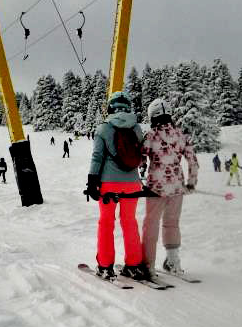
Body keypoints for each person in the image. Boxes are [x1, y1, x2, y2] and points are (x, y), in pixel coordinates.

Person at [85, 91, 149, 282]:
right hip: (132, 184)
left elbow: (97, 157)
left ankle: (105, 266)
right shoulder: (137, 128)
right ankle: (134, 264)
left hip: (109, 184)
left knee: (106, 222)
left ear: (110, 107)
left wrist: (92, 181)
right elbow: (141, 155)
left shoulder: (103, 128)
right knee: (129, 221)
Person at [140, 98, 199, 277]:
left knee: (151, 224)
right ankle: (173, 262)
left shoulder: (150, 135)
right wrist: (191, 182)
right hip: (177, 187)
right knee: (172, 223)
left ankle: (148, 264)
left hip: (155, 188)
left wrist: (141, 171)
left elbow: (141, 157)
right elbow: (193, 161)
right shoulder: (181, 135)